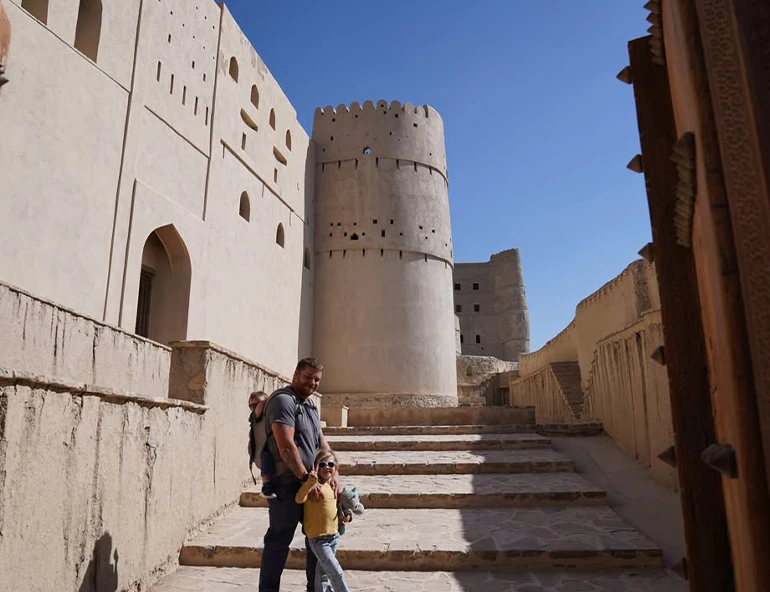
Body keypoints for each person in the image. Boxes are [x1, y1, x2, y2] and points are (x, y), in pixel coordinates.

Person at [258, 358, 340, 592]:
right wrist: (306, 478)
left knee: (318, 538)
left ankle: (315, 589)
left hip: (313, 484)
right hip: (287, 484)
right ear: (296, 374)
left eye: (316, 379)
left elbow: (321, 444)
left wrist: (334, 472)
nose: (312, 382)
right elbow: (285, 445)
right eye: (308, 377)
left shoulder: (310, 406)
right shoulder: (283, 401)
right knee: (279, 540)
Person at [296, 450, 351, 592]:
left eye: (331, 464)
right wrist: (309, 483)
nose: (327, 467)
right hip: (318, 539)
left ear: (335, 467)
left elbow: (340, 506)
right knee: (336, 572)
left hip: (334, 536)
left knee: (322, 573)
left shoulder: (332, 485)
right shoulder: (313, 486)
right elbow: (299, 498)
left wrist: (347, 515)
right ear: (316, 466)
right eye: (322, 464)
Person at [248, 390, 276, 499]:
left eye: (257, 405)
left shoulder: (270, 415)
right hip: (261, 452)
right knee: (266, 455)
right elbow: (260, 407)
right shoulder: (254, 416)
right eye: (252, 406)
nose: (255, 408)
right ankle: (266, 485)